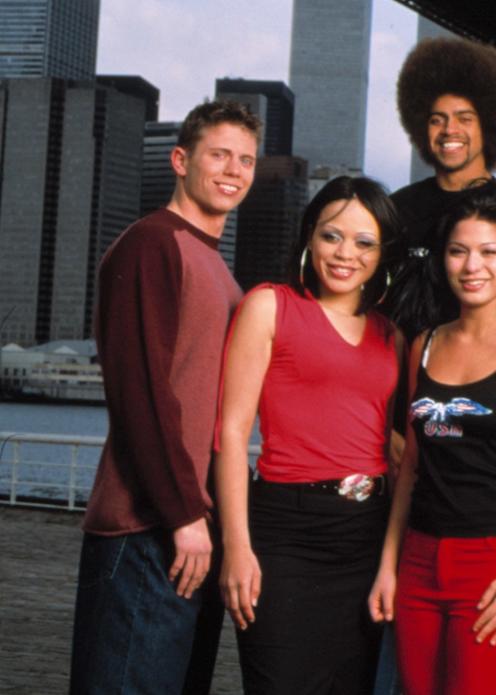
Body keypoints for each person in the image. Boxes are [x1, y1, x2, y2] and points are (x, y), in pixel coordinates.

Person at [70, 100, 261, 694]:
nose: (233, 170)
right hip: (149, 529)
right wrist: (183, 515)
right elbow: (140, 394)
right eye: (219, 155)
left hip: (192, 525)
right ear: (181, 160)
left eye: (247, 160)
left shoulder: (213, 263)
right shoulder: (152, 244)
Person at [368, 185, 496, 695]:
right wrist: (389, 567)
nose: (471, 266)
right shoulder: (425, 343)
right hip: (418, 563)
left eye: (489, 252)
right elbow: (412, 469)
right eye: (458, 251)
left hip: (493, 567)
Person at [214, 176, 403, 694]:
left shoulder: (393, 335)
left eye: (365, 242)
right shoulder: (269, 306)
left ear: (382, 252)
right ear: (309, 238)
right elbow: (231, 434)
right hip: (285, 534)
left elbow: (393, 446)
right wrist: (237, 547)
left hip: (366, 534)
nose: (346, 254)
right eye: (331, 236)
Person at [382, 36, 496, 339]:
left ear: (489, 125)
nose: (450, 130)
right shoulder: (399, 208)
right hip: (406, 368)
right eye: (437, 120)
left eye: (464, 118)